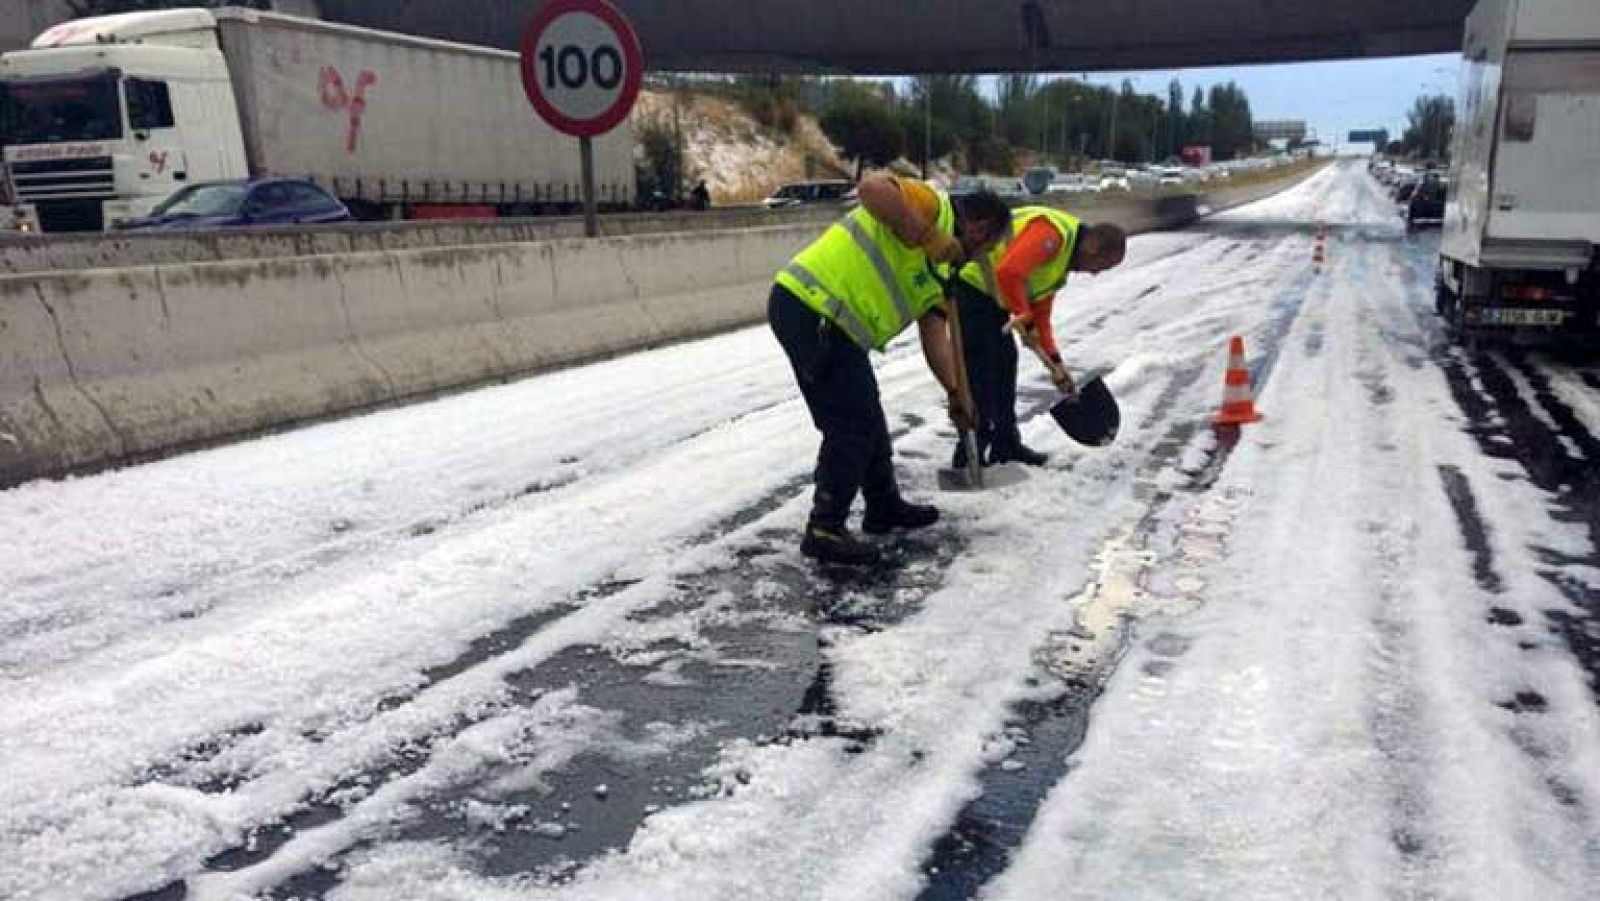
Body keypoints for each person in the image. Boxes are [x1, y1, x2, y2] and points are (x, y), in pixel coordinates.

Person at [769, 176, 1012, 566]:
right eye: (986, 248)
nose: (980, 258)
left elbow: (936, 338)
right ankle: (824, 528)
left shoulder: (942, 273)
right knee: (852, 424)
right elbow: (872, 190)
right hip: (810, 307)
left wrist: (957, 394)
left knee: (868, 414)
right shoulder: (932, 205)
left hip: (838, 325)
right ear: (978, 228)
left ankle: (883, 508)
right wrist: (927, 233)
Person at [950, 208, 1126, 467]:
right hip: (971, 291)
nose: (1095, 273)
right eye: (1102, 265)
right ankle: (969, 456)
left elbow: (1041, 319)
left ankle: (1006, 444)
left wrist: (1056, 364)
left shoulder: (1060, 263)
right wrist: (1023, 315)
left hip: (992, 300)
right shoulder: (1052, 234)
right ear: (1092, 247)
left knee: (1005, 366)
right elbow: (1009, 272)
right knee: (982, 373)